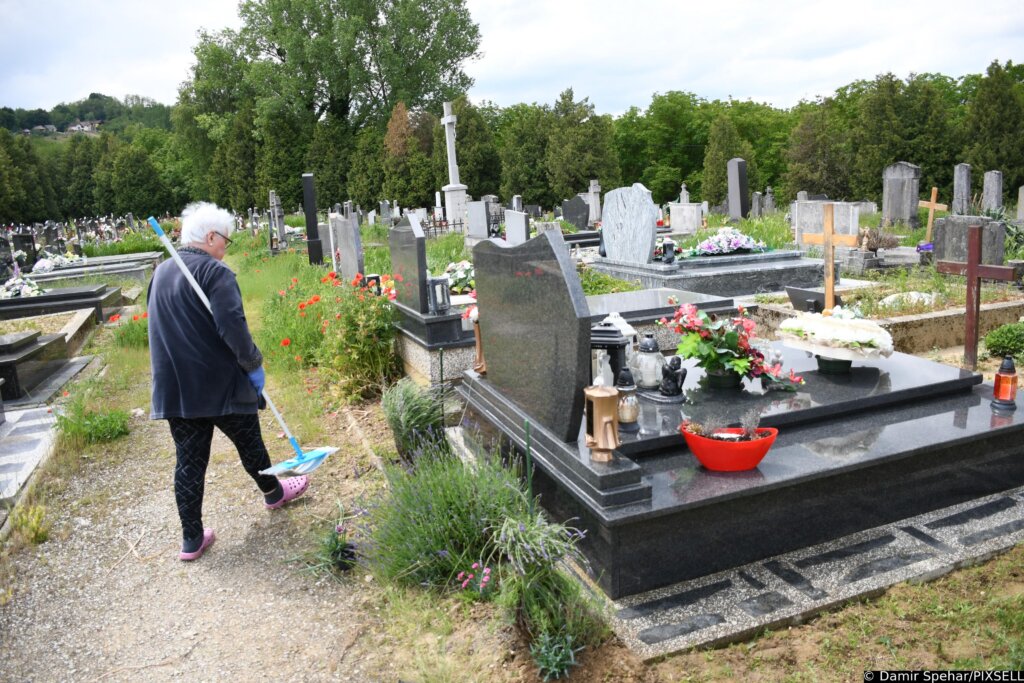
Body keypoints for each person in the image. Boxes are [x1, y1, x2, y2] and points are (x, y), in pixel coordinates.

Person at [148, 202, 309, 561]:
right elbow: (233, 328)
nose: (225, 248)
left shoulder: (161, 273)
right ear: (209, 236)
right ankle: (274, 493)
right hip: (220, 384)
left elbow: (157, 331)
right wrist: (252, 364)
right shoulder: (215, 273)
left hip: (178, 388)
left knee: (188, 462)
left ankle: (191, 539)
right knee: (251, 445)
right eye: (226, 241)